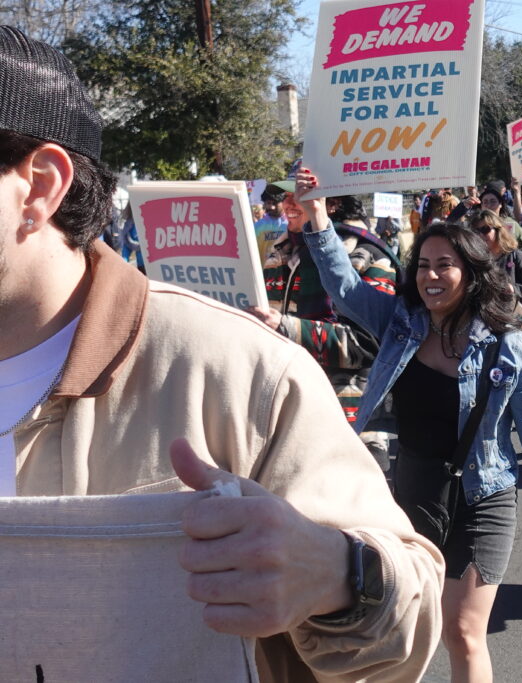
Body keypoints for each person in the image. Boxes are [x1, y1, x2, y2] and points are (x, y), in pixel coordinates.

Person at [0, 25, 442, 681]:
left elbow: (410, 622)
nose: (288, 212)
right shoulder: (279, 265)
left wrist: (334, 573)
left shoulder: (242, 373)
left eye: (299, 206)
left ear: (39, 187)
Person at [296, 175, 522, 681]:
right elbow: (344, 287)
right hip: (411, 493)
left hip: (484, 496)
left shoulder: (507, 345)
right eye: (423, 265)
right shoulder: (400, 323)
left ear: (471, 273)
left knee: (463, 631)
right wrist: (317, 216)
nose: (431, 275)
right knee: (404, 624)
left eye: (444, 265)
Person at [252, 182, 398, 472]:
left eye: (300, 196)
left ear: (332, 204)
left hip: (350, 424)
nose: (289, 203)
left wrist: (285, 327)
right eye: (286, 196)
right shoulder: (278, 254)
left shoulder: (368, 255)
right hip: (288, 419)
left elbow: (368, 343)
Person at [468, 208, 522, 305]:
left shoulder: (516, 256)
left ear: (498, 230)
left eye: (485, 229)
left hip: (509, 311)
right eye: (476, 231)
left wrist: (513, 289)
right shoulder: (472, 258)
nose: (480, 235)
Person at [253, 184, 289, 262]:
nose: (272, 207)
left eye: (275, 203)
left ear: (283, 202)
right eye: (268, 203)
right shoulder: (258, 226)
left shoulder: (291, 223)